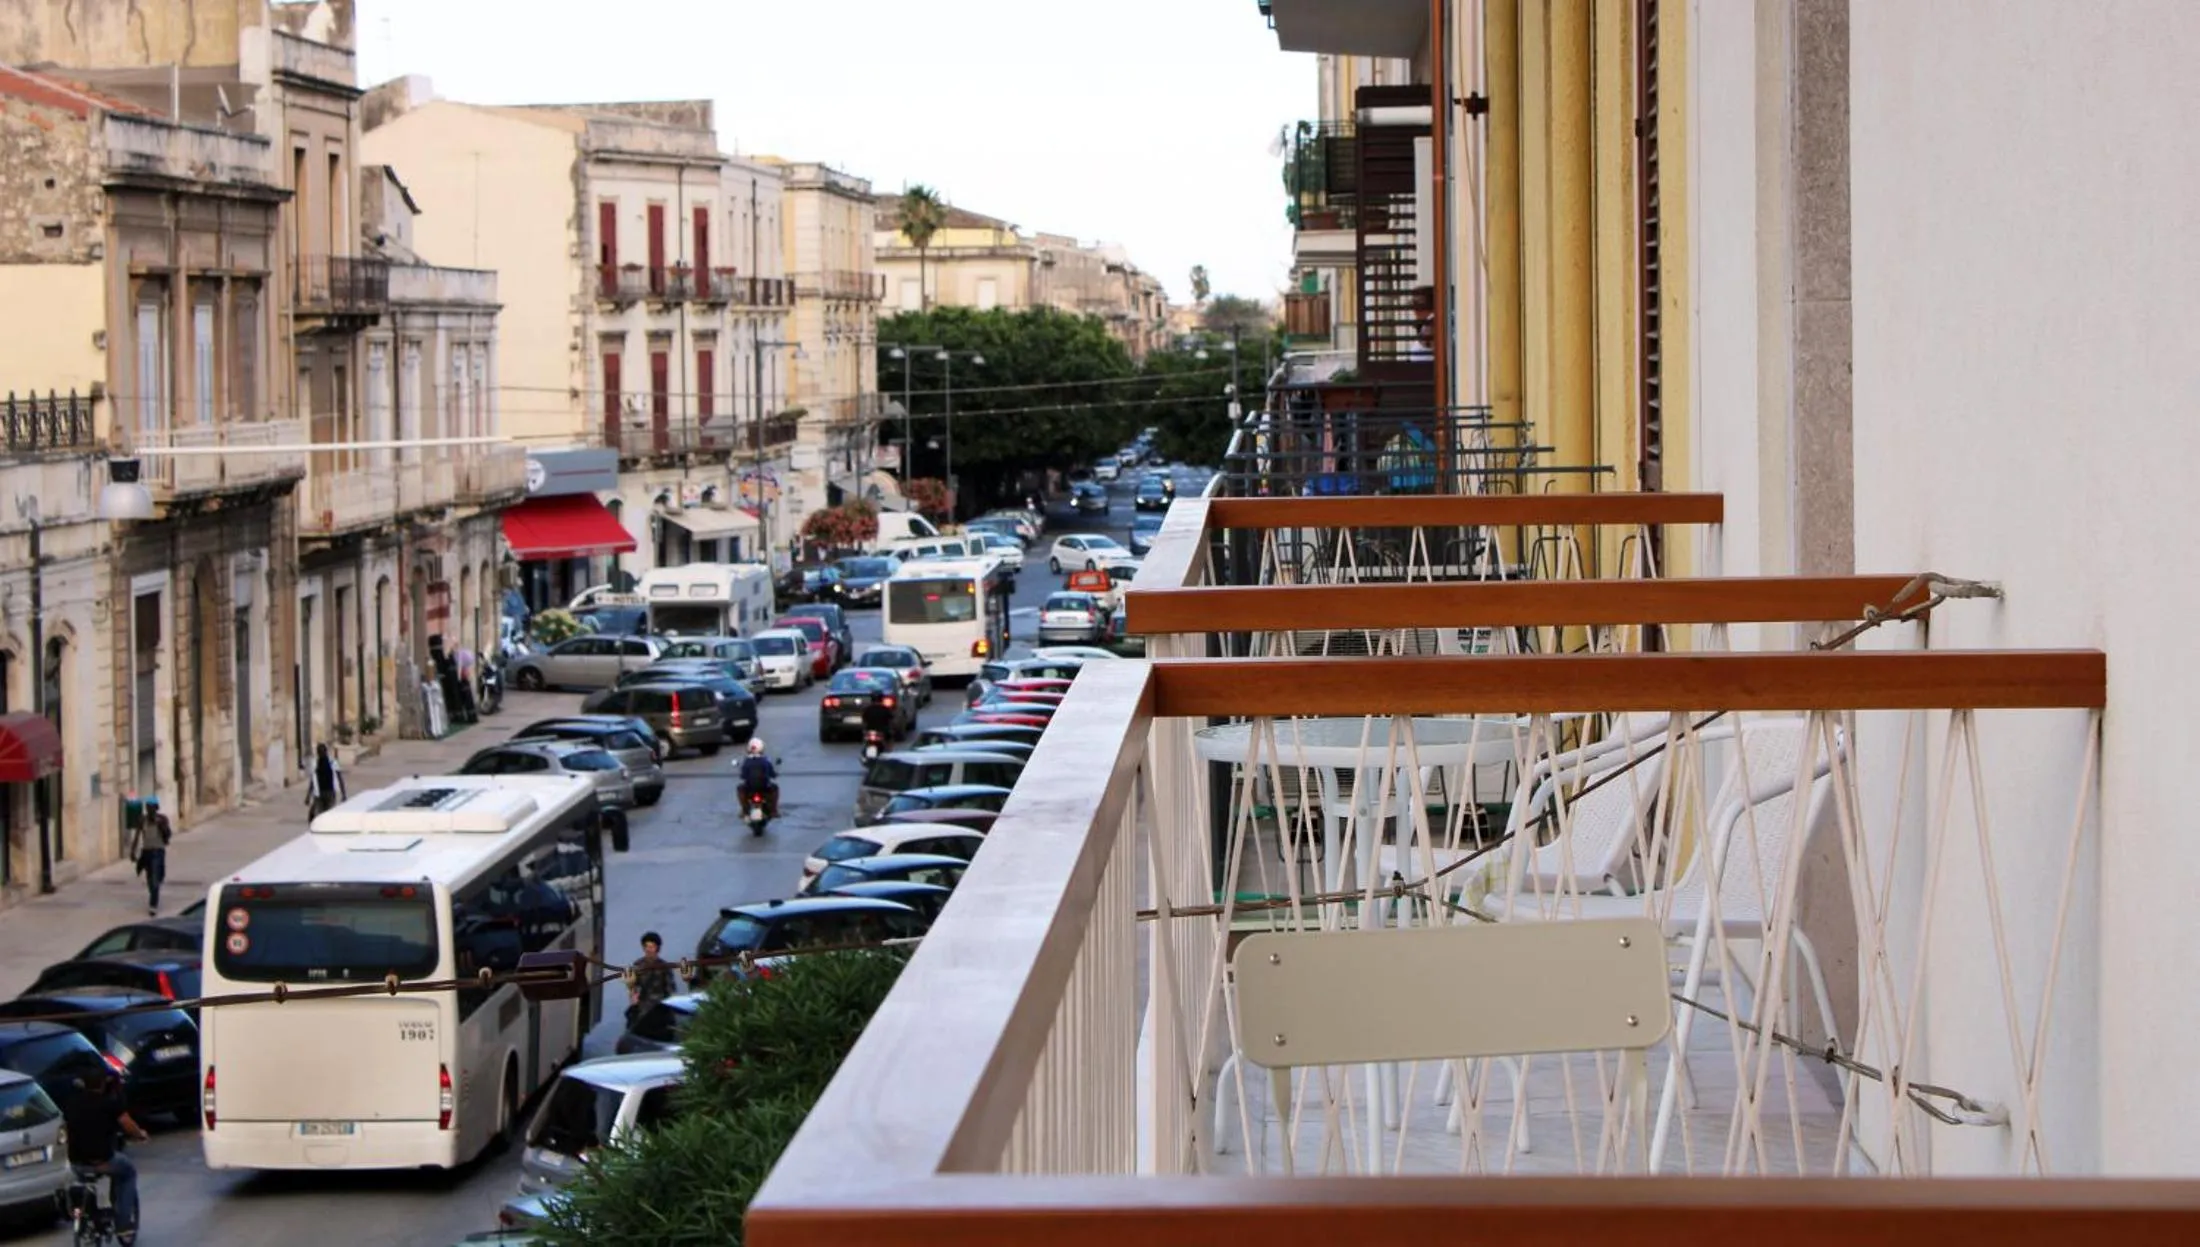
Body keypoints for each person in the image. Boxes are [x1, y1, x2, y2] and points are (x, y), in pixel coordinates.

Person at [63, 1067, 149, 1244]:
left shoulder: (71, 1103)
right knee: (127, 1173)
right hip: (103, 1160)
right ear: (103, 1083)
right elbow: (127, 1123)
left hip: (77, 1162)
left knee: (85, 1182)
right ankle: (124, 1223)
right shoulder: (109, 1102)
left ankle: (90, 1217)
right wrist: (140, 1134)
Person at [128, 798, 172, 917]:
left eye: (152, 807)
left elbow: (168, 835)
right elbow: (137, 836)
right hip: (146, 852)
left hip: (158, 851)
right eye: (148, 807)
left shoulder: (162, 819)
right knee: (150, 878)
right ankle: (154, 894)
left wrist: (161, 825)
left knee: (156, 878)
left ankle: (153, 905)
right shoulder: (143, 820)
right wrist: (132, 851)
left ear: (156, 808)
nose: (150, 810)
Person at [627, 932, 681, 1026]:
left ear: (657, 948)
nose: (649, 950)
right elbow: (633, 986)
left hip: (660, 1007)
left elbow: (670, 989)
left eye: (652, 947)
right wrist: (633, 997)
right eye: (646, 946)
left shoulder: (664, 967)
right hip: (643, 1007)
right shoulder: (638, 965)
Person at [737, 739, 778, 817]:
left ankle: (744, 810)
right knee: (775, 788)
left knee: (740, 788)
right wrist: (774, 774)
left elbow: (743, 776)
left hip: (750, 789)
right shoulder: (766, 761)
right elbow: (772, 774)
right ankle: (774, 811)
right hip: (764, 789)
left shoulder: (747, 761)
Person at [306, 743, 346, 820]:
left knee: (329, 814)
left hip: (330, 793)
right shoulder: (315, 764)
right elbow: (313, 780)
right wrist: (308, 795)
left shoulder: (333, 763)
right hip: (318, 794)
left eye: (322, 752)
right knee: (319, 816)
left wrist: (343, 793)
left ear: (326, 752)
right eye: (319, 752)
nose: (321, 754)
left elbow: (340, 778)